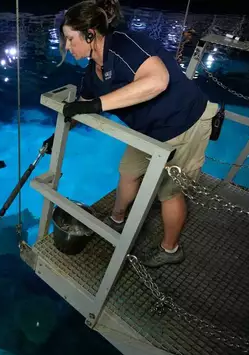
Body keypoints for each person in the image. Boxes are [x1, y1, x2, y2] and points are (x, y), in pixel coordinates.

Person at [58, 0, 219, 267]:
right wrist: (60, 132)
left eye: (69, 39)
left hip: (185, 122)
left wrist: (98, 104)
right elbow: (82, 107)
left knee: (169, 192)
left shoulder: (125, 45)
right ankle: (117, 219)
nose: (66, 46)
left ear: (90, 34)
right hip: (149, 132)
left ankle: (170, 250)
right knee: (128, 172)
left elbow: (157, 81)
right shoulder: (92, 72)